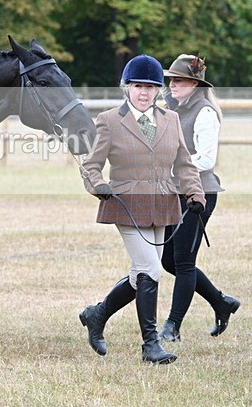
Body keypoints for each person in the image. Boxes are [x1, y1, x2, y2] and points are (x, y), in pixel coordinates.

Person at [78, 54, 206, 364]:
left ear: (159, 90)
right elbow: (91, 165)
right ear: (126, 88)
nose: (144, 92)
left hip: (162, 203)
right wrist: (99, 186)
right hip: (126, 204)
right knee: (151, 269)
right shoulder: (109, 120)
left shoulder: (170, 120)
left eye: (151, 86)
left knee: (141, 273)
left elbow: (184, 163)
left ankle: (97, 314)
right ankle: (151, 345)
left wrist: (195, 193)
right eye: (138, 86)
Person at [157, 54, 240, 342]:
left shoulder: (205, 112)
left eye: (178, 80)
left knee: (183, 262)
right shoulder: (169, 107)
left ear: (194, 83)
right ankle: (221, 302)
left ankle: (172, 326)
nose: (172, 84)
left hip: (198, 195)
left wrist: (169, 163)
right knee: (169, 261)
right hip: (172, 193)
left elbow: (206, 158)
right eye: (171, 80)